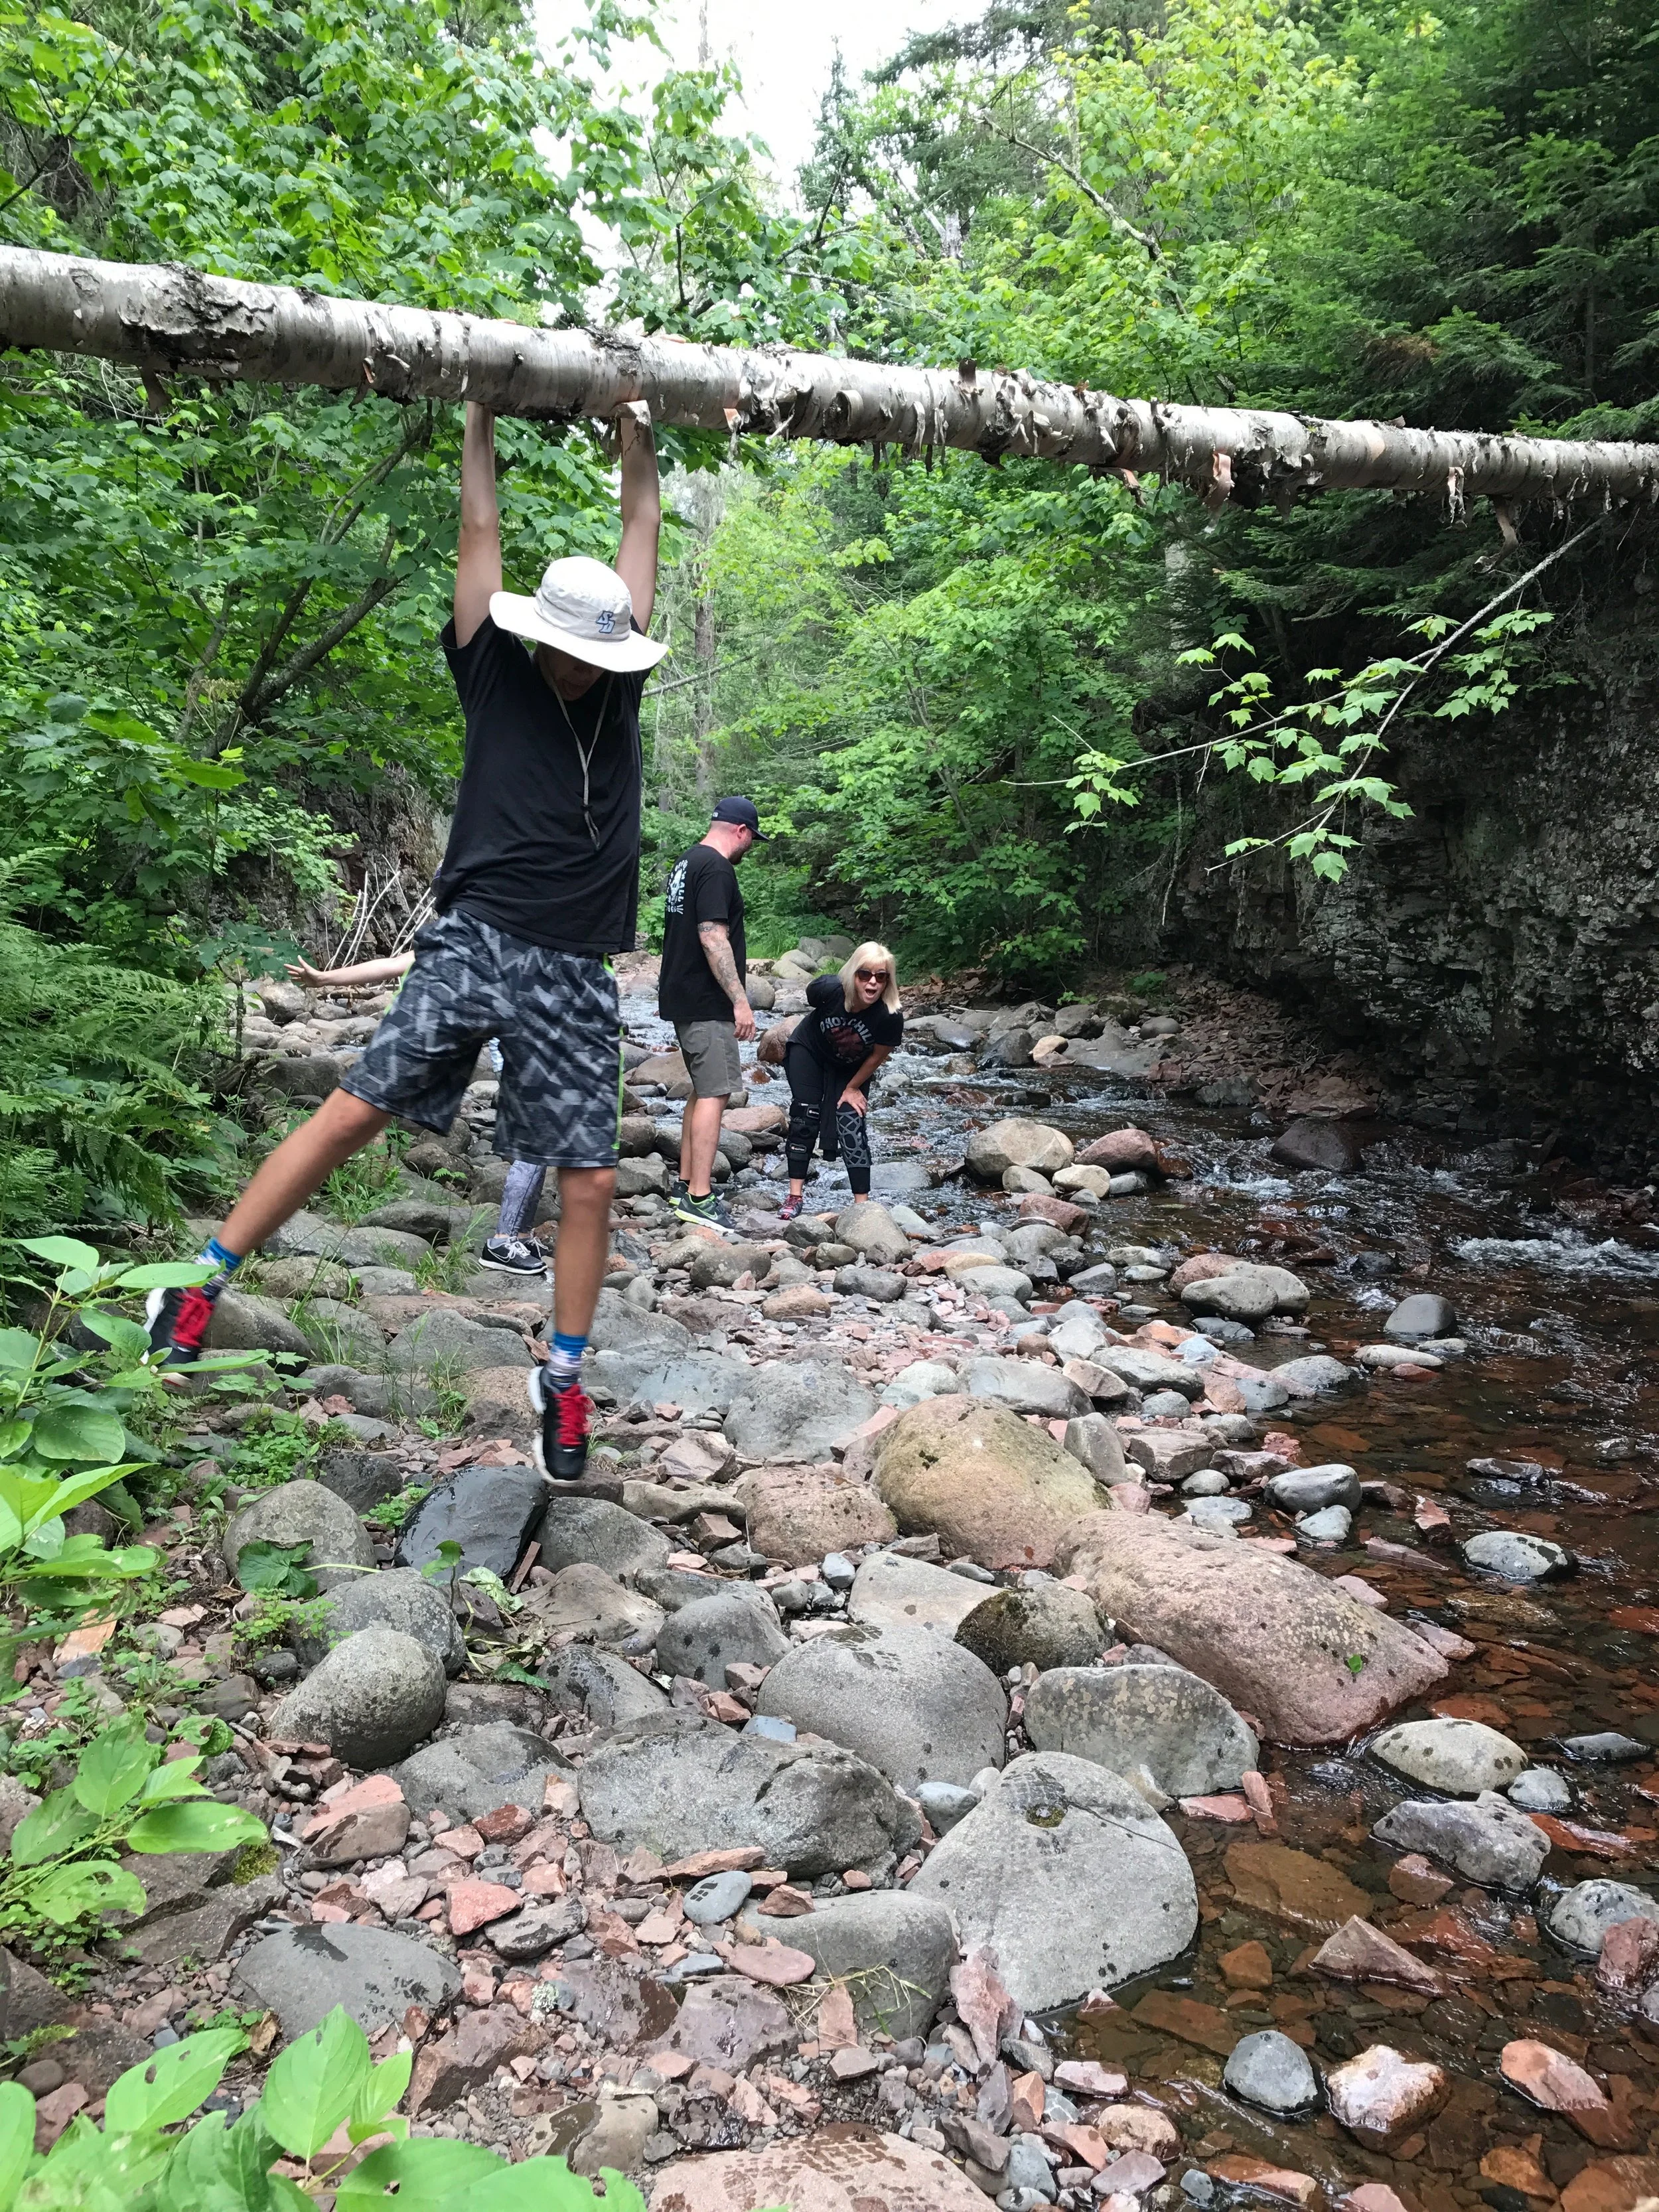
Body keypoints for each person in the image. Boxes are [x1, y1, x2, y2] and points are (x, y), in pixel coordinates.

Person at [145, 399, 665, 1485]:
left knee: (590, 1183)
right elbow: (481, 538)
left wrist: (637, 439)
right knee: (352, 1113)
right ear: (540, 637)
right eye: (568, 649)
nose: (580, 666)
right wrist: (478, 414)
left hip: (574, 964)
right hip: (474, 939)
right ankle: (200, 1281)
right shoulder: (495, 671)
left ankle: (560, 1377)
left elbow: (641, 531)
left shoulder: (621, 693)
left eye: (595, 651)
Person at [282, 950, 552, 1278]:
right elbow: (394, 965)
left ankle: (520, 1236)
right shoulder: (474, 937)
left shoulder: (527, 936)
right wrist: (325, 979)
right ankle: (503, 1242)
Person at [656, 796, 765, 1232]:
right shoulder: (717, 867)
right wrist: (740, 1000)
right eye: (752, 839)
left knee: (702, 1090)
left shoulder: (686, 862)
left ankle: (686, 1184)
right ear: (740, 830)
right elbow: (712, 937)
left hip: (682, 993)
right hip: (706, 999)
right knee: (717, 1091)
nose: (750, 848)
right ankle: (699, 1197)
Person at [780, 942, 903, 1222]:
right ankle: (794, 1196)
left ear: (888, 981)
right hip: (809, 1051)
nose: (872, 982)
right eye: (864, 974)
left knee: (851, 1121)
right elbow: (809, 999)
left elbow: (876, 1057)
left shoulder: (890, 1015)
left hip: (852, 1066)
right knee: (806, 1114)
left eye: (880, 976)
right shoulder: (828, 990)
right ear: (852, 975)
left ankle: (862, 1208)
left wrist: (852, 1088)